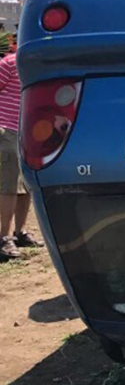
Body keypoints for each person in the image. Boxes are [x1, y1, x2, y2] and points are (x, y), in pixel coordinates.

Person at [0, 50, 42, 260]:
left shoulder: (38, 64)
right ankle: (4, 237)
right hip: (7, 130)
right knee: (9, 186)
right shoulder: (9, 63)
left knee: (26, 185)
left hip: (28, 132)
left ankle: (20, 232)